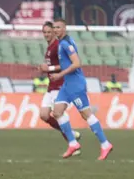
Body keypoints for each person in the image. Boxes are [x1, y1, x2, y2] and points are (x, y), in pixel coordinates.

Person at [49, 19, 113, 160]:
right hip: (67, 84)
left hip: (76, 85)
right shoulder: (62, 43)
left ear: (64, 28)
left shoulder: (65, 43)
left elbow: (77, 63)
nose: (55, 30)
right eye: (54, 27)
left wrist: (59, 74)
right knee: (57, 112)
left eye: (58, 27)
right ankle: (73, 143)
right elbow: (66, 64)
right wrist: (52, 69)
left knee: (86, 115)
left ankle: (105, 144)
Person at [38, 22, 81, 150]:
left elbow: (68, 65)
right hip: (51, 86)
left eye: (49, 32)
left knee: (59, 114)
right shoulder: (49, 48)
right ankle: (71, 134)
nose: (46, 34)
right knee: (44, 115)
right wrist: (44, 68)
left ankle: (72, 143)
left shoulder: (58, 46)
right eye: (44, 32)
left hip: (60, 85)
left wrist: (49, 68)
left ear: (54, 32)